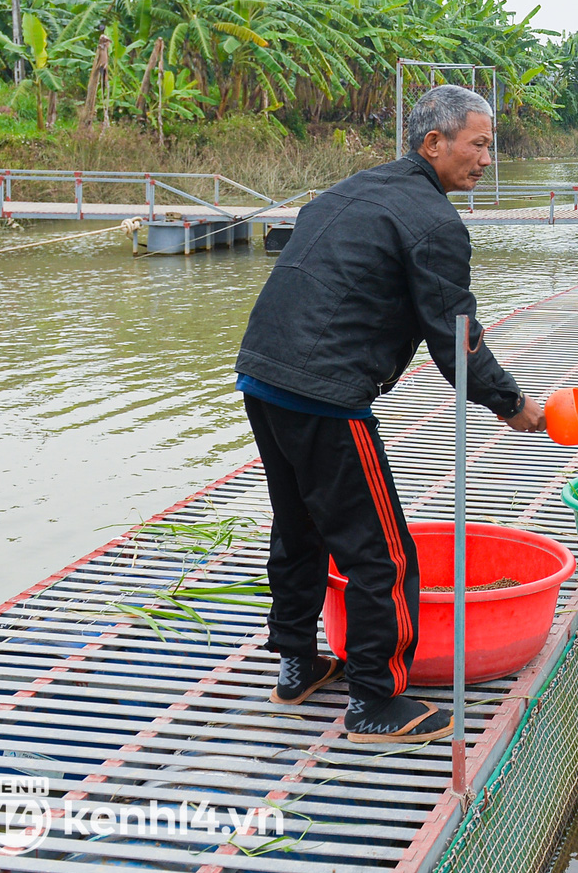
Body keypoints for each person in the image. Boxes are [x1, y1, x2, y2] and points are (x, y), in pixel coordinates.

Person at [234, 84, 546, 744]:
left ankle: (296, 666)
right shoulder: (434, 223)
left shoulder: (354, 189)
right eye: (480, 144)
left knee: (299, 530)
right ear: (434, 143)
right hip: (325, 395)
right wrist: (513, 404)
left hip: (263, 376)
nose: (488, 160)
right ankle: (376, 701)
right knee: (382, 555)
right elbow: (454, 337)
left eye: (492, 147)